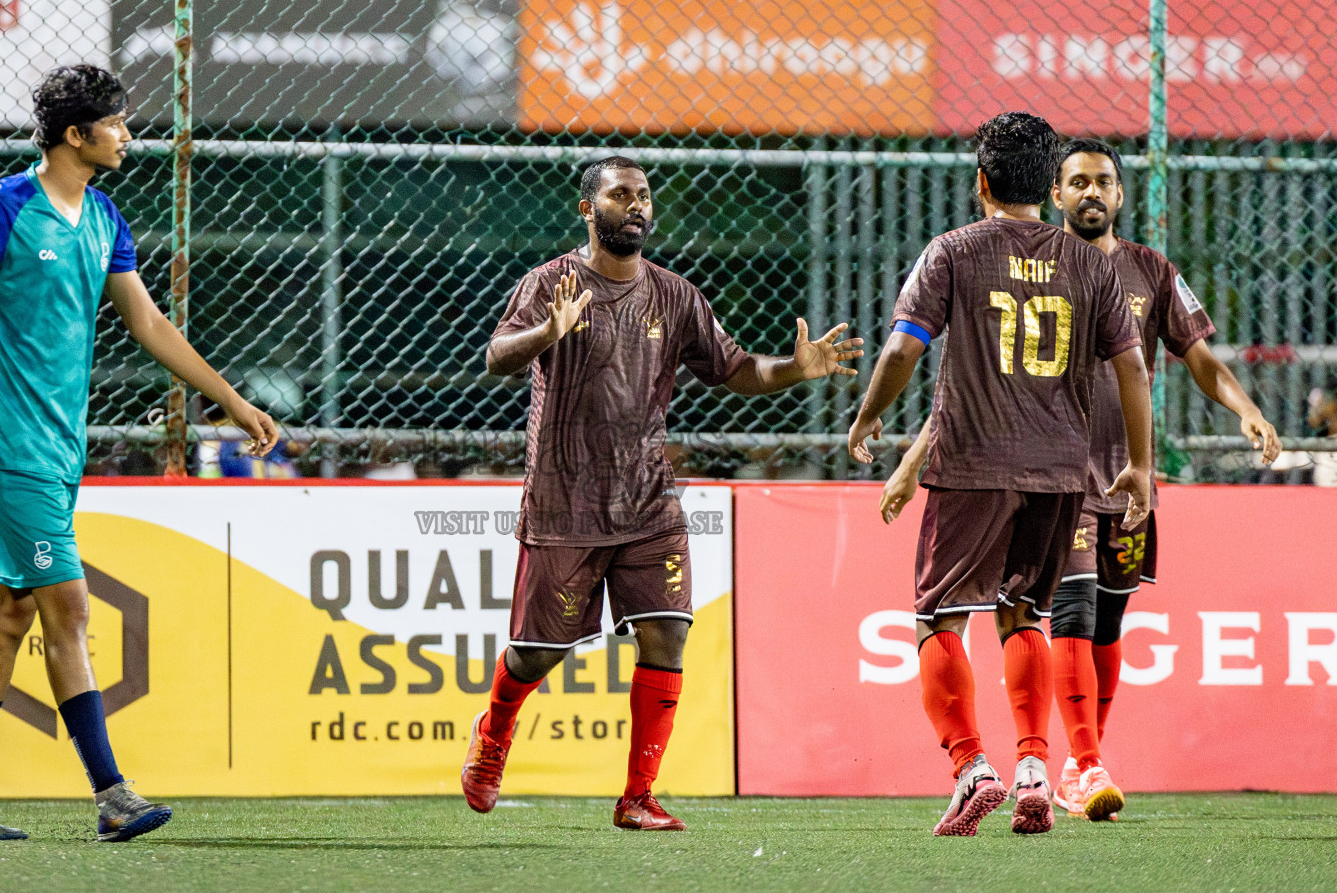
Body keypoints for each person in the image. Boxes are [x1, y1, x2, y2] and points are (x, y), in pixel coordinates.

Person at [0, 65, 279, 842]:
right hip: (7, 447)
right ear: (75, 134)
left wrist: (231, 401)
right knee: (69, 606)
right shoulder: (0, 211)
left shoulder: (103, 217)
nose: (129, 134)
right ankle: (113, 793)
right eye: (118, 123)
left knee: (8, 615)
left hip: (61, 450)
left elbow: (151, 325)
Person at [461, 155, 863, 831]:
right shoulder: (550, 283)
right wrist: (546, 333)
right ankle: (495, 729)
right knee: (537, 653)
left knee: (669, 632)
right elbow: (497, 357)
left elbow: (733, 368)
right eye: (621, 195)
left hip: (649, 500)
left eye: (644, 195)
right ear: (587, 209)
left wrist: (794, 369)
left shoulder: (675, 295)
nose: (637, 205)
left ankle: (637, 795)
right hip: (565, 503)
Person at [886, 138, 1282, 821]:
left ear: (1120, 195)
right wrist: (911, 461)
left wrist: (1247, 410)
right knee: (1061, 613)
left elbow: (1200, 358)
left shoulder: (1151, 272)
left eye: (1104, 182)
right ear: (1056, 193)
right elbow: (977, 385)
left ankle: (1069, 762)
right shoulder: (1040, 267)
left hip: (1126, 481)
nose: (1092, 193)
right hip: (1060, 473)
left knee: (1105, 626)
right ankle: (1081, 760)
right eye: (1078, 182)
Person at [846, 112, 1153, 837]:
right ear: (1050, 188)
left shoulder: (954, 251)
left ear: (980, 181)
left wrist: (868, 416)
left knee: (937, 617)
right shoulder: (1092, 264)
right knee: (1025, 615)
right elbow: (1133, 366)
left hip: (973, 464)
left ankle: (970, 766)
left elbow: (903, 348)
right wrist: (1139, 464)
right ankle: (1036, 770)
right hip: (1059, 471)